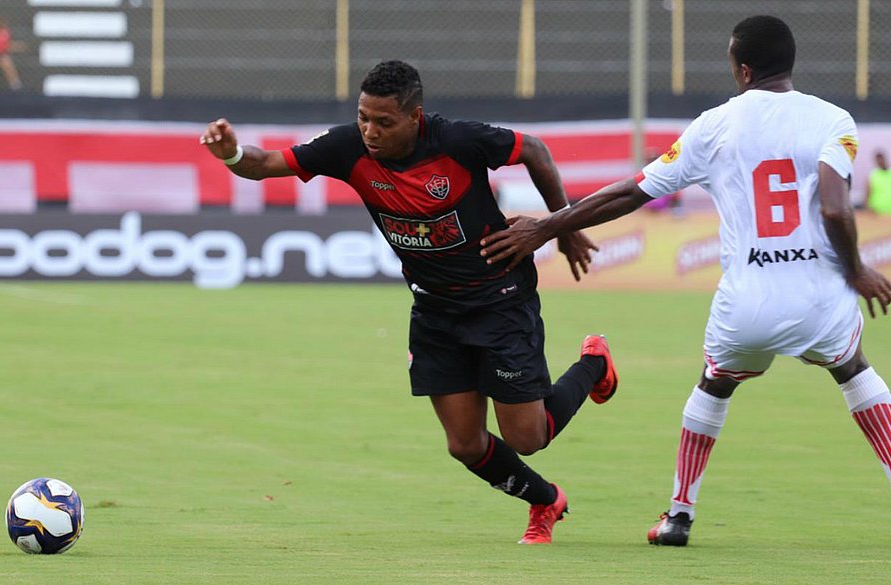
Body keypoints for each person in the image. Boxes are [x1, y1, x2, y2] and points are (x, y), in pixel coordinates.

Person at [480, 15, 891, 546]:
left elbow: (631, 192)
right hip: (817, 296)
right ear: (789, 63)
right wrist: (857, 269)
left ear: (742, 69)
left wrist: (548, 226)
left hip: (747, 303)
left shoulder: (715, 124)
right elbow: (836, 211)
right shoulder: (833, 119)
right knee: (854, 371)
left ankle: (678, 515)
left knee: (713, 384)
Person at [201, 60, 618, 545]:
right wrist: (231, 155)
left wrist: (560, 225)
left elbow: (536, 151)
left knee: (529, 438)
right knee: (464, 444)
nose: (370, 131)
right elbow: (266, 164)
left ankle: (593, 361)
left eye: (383, 122)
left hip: (500, 300)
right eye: (363, 117)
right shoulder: (346, 148)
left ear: (415, 116)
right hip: (435, 312)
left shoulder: (459, 141)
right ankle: (544, 501)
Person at [866, 150, 891, 215]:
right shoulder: (873, 175)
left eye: (881, 159)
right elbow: (868, 191)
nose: (880, 162)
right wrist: (868, 206)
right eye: (878, 160)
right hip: (877, 210)